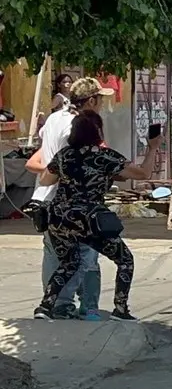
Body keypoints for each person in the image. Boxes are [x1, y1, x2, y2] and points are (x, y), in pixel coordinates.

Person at [35, 110, 161, 321]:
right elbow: (144, 174)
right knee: (125, 260)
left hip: (60, 218)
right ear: (98, 132)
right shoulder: (105, 156)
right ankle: (120, 309)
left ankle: (45, 307)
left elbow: (46, 181)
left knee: (69, 262)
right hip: (90, 220)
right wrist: (152, 148)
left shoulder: (64, 155)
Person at [26, 77, 114, 319]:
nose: (101, 106)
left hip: (45, 198)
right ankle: (74, 305)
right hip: (72, 199)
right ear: (91, 101)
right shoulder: (78, 127)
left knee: (53, 252)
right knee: (86, 254)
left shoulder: (55, 119)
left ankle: (55, 303)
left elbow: (44, 154)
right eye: (100, 101)